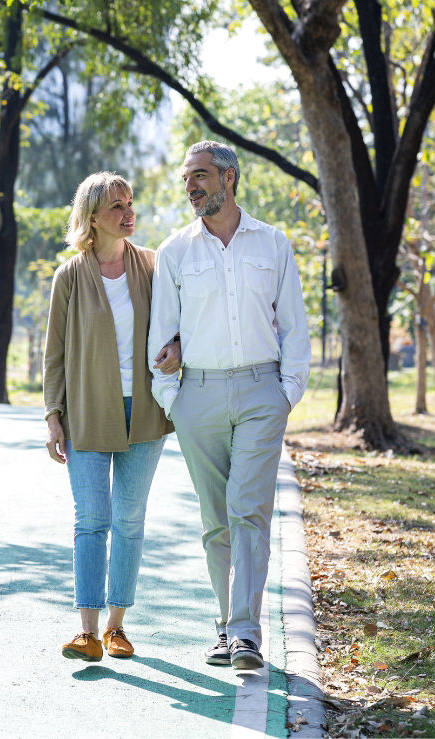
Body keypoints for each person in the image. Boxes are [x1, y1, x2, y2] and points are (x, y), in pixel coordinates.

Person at [147, 141, 310, 670]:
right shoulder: (175, 251)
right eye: (187, 178)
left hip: (263, 394)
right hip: (198, 396)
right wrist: (174, 400)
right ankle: (225, 626)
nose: (191, 186)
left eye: (200, 175)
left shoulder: (272, 243)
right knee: (216, 520)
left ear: (229, 178)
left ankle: (245, 633)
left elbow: (294, 326)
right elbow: (160, 337)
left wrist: (286, 393)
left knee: (248, 512)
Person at [44, 171, 181, 662]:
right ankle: (86, 628)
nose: (128, 213)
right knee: (91, 519)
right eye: (116, 207)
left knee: (128, 517)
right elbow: (55, 353)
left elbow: (179, 321)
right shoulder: (70, 275)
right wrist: (52, 414)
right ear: (92, 218)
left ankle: (117, 627)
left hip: (144, 410)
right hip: (86, 412)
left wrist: (179, 348)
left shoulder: (152, 265)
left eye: (130, 203)